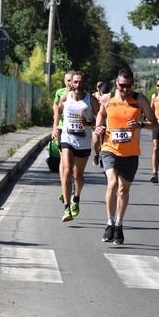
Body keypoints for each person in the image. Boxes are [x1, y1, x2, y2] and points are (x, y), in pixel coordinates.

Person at [94, 67, 158, 244]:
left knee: (124, 190)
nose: (125, 89)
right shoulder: (107, 99)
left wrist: (140, 125)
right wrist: (98, 128)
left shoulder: (140, 100)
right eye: (122, 85)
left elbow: (155, 123)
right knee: (112, 183)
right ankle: (109, 223)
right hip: (109, 149)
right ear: (116, 84)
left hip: (130, 153)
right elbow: (100, 115)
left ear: (133, 84)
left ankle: (118, 224)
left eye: (129, 86)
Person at [52, 71, 100, 222]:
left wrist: (90, 123)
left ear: (84, 83)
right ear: (70, 83)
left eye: (81, 82)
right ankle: (67, 209)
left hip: (83, 141)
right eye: (75, 82)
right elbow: (58, 110)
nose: (78, 85)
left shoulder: (90, 99)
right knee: (66, 171)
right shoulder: (65, 97)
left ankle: (76, 198)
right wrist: (55, 127)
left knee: (78, 175)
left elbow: (100, 119)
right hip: (68, 138)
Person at [53, 70, 74, 201]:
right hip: (62, 129)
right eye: (68, 80)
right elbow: (56, 106)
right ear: (65, 81)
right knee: (63, 161)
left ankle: (70, 185)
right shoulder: (60, 93)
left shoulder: (79, 94)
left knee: (71, 164)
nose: (70, 83)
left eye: (72, 80)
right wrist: (55, 126)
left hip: (75, 130)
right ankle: (65, 187)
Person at [92, 82, 111, 166]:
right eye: (98, 86)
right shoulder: (94, 96)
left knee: (104, 142)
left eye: (101, 86)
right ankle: (96, 154)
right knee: (95, 141)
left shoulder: (109, 97)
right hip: (96, 121)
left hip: (106, 122)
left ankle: (103, 158)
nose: (99, 88)